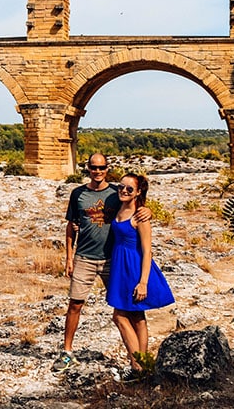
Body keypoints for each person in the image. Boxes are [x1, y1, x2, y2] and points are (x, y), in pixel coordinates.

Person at [51, 154, 150, 374]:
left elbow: (137, 206)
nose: (97, 171)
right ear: (87, 168)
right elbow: (71, 225)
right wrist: (69, 257)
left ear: (107, 169)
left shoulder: (118, 192)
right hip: (85, 257)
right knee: (75, 304)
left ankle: (140, 362)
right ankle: (67, 352)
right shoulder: (78, 194)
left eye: (102, 167)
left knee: (126, 311)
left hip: (113, 260)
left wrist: (148, 210)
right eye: (94, 167)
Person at [106, 173, 175, 381]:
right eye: (122, 187)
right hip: (121, 266)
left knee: (119, 316)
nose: (124, 191)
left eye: (129, 189)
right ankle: (143, 367)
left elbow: (147, 251)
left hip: (134, 268)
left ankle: (137, 367)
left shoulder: (140, 216)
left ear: (138, 193)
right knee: (136, 317)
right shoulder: (117, 205)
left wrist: (143, 282)